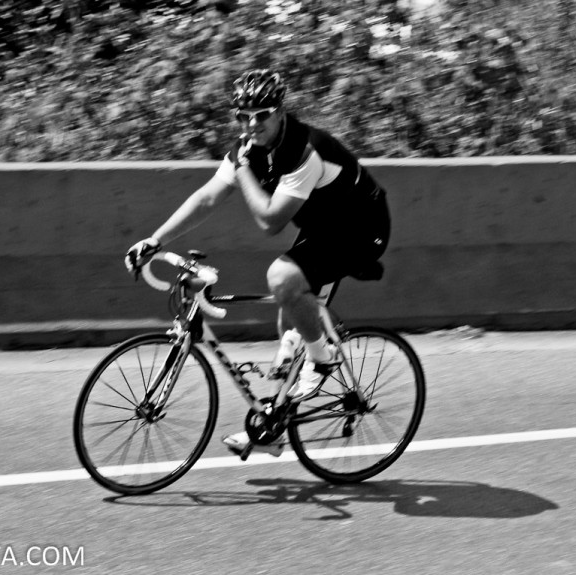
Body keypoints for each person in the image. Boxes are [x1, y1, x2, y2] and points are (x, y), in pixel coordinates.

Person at [124, 69, 390, 457]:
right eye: (242, 116)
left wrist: (244, 170)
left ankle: (324, 358)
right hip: (322, 228)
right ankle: (274, 427)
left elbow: (269, 221)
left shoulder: (304, 150)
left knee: (282, 278)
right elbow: (207, 198)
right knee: (290, 317)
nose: (251, 124)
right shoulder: (246, 148)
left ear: (281, 112)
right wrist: (155, 239)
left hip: (361, 229)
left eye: (262, 114)